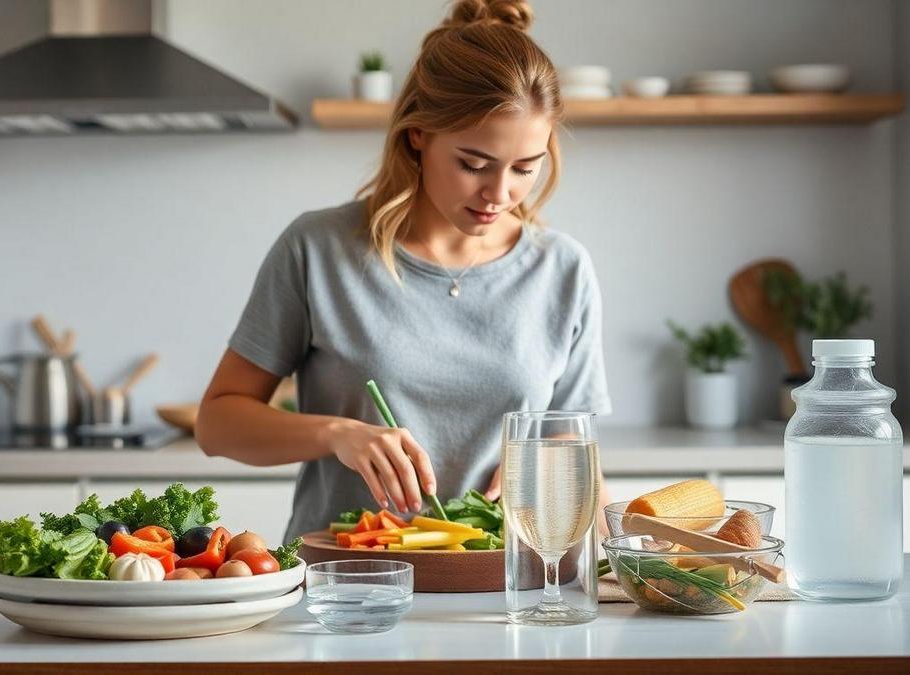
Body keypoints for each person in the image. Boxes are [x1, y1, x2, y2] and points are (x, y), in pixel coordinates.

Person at [195, 0, 612, 543]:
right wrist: (337, 434)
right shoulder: (318, 249)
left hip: (505, 585)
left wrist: (547, 469)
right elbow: (217, 424)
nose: (499, 193)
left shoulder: (563, 269)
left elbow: (574, 448)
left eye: (524, 169)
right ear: (418, 134)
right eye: (473, 164)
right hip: (347, 585)